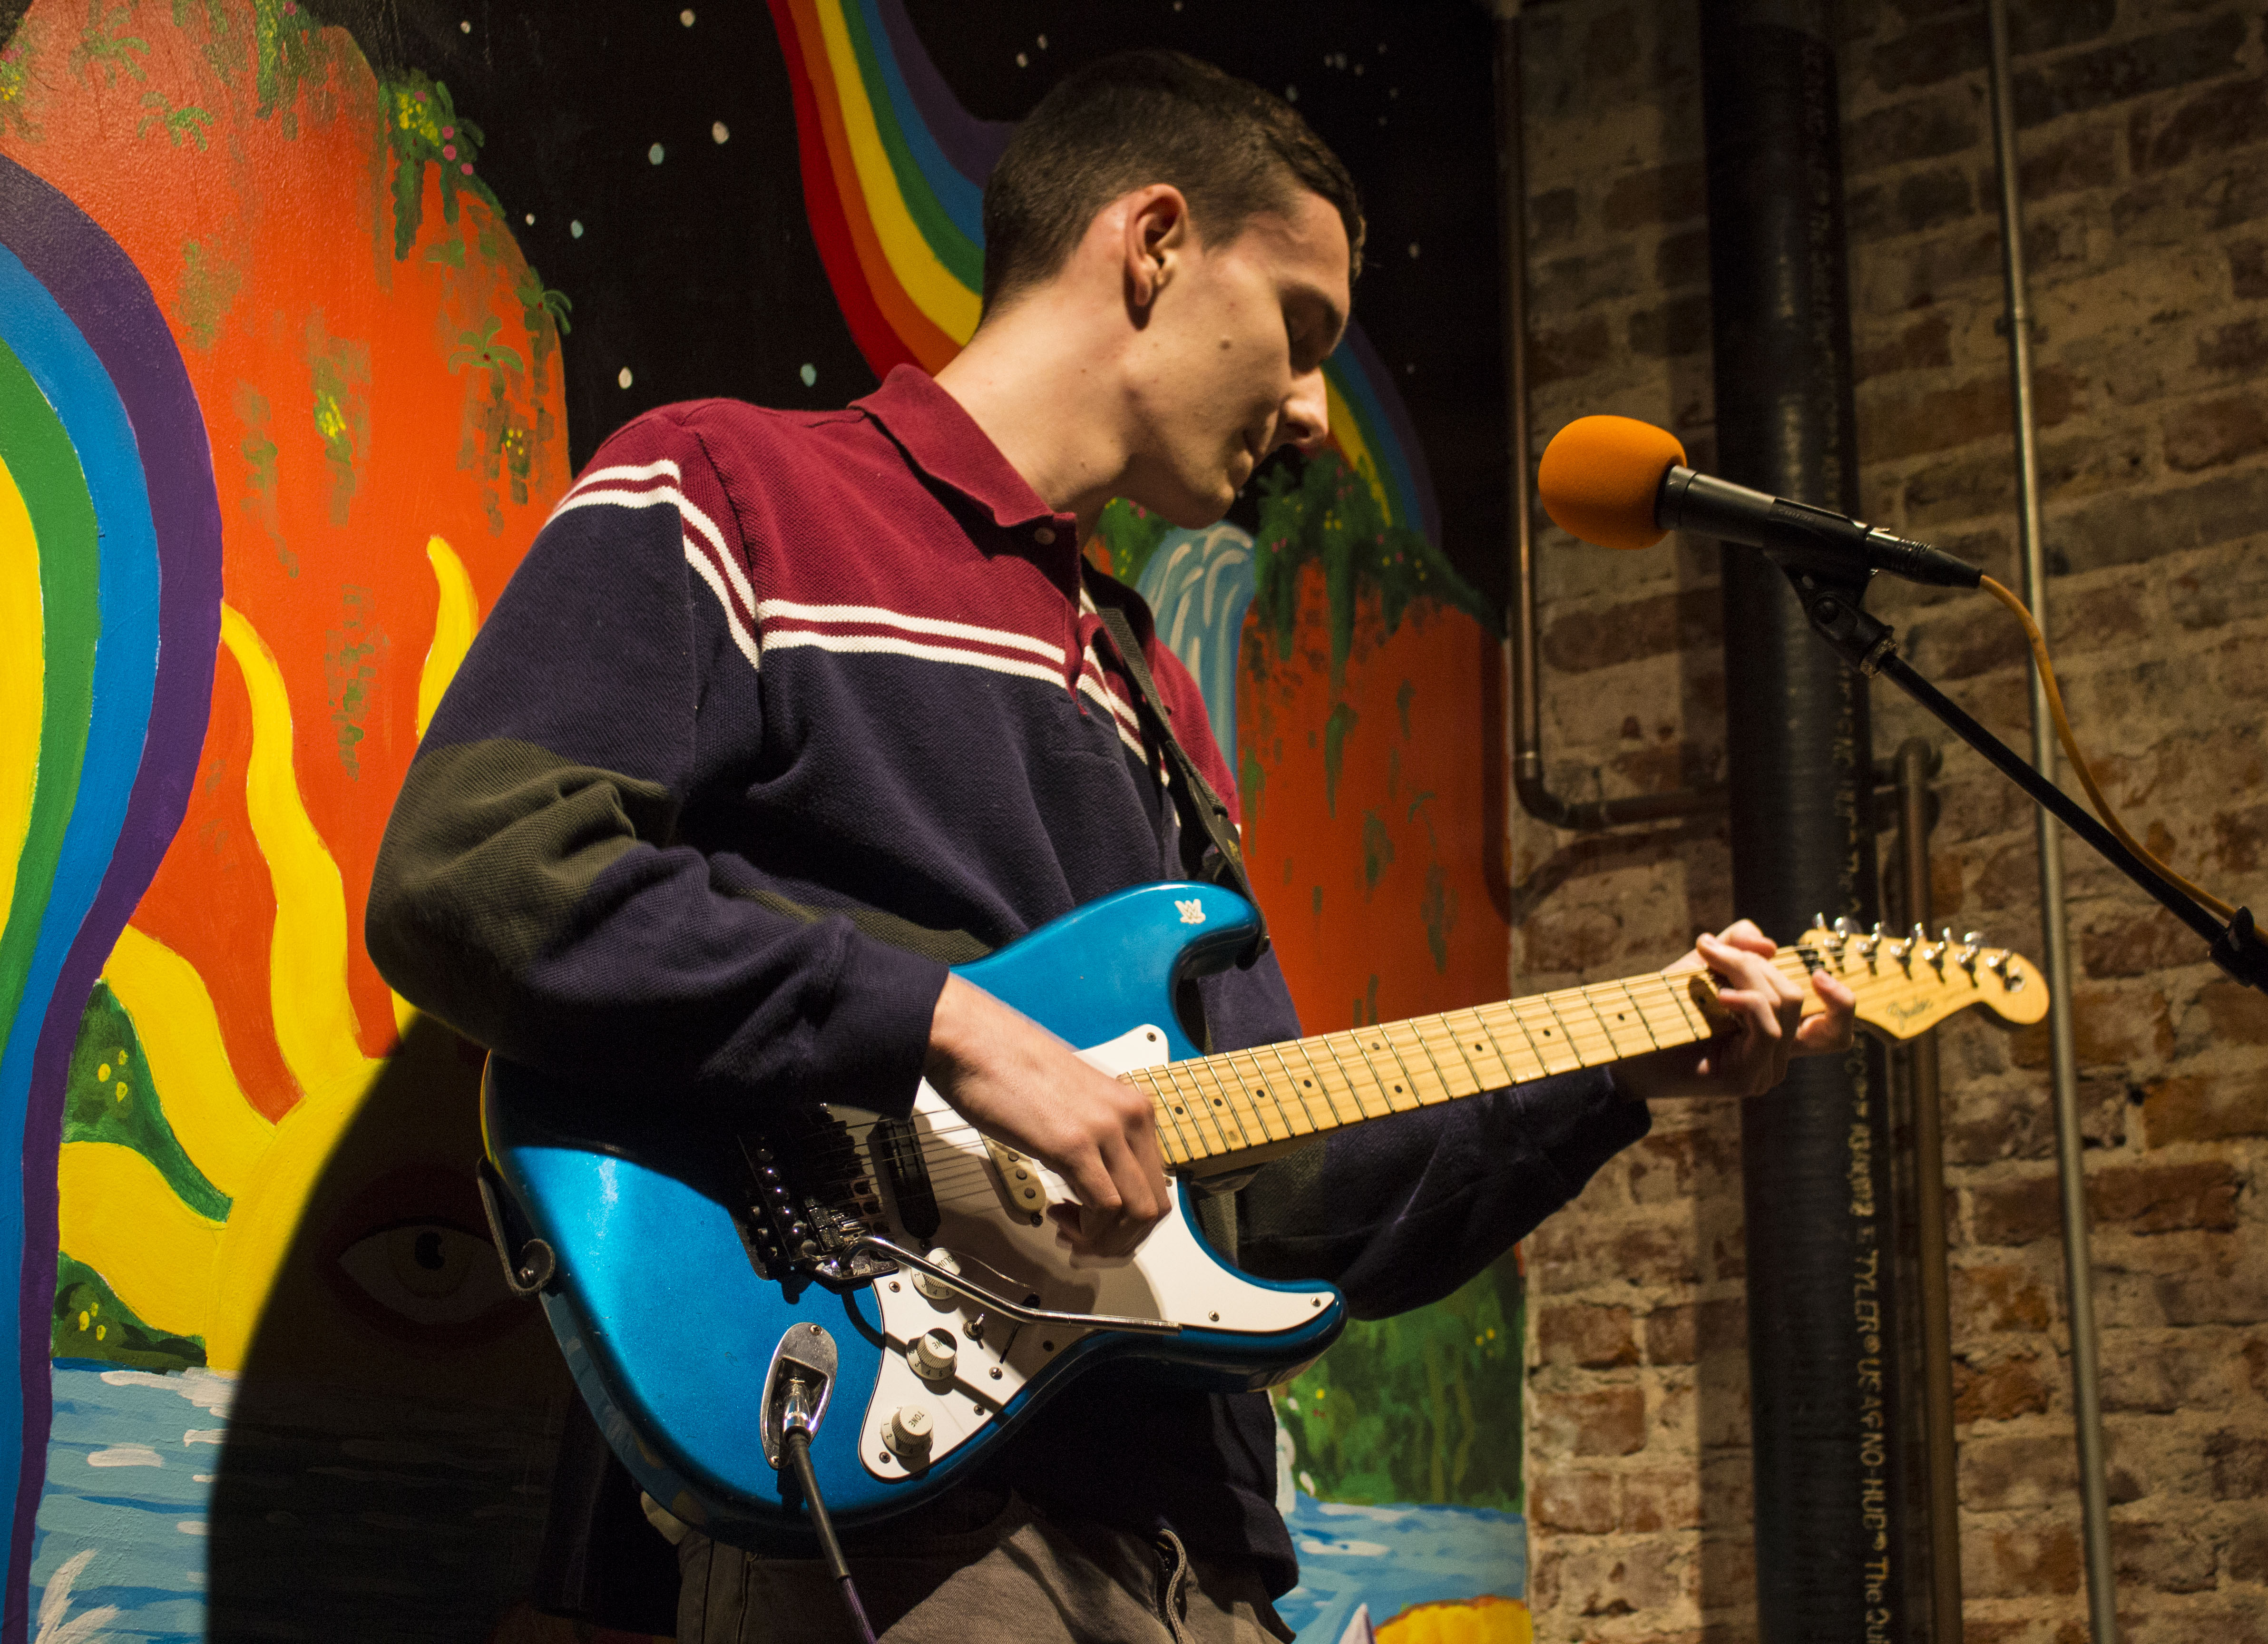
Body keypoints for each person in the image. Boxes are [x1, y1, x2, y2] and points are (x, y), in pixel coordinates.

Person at [367, 48, 1854, 1644]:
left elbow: (1284, 1193)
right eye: (1302, 331)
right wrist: (946, 1027)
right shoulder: (740, 492)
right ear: (1153, 245)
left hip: (1196, 1550)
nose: (1312, 414)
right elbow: (475, 873)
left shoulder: (1156, 697)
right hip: (895, 1510)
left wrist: (1621, 1071)